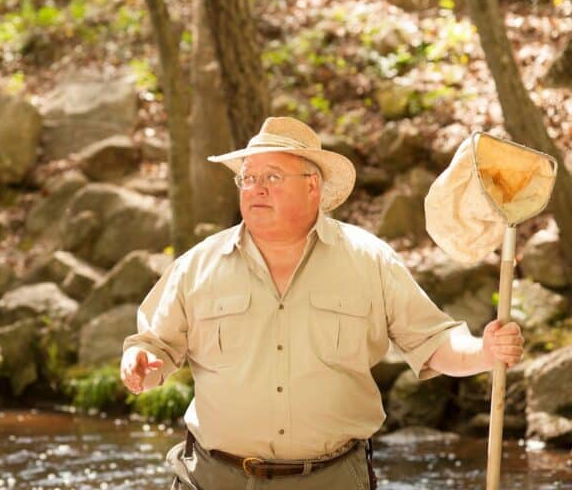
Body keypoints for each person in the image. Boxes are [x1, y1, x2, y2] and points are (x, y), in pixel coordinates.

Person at [120, 117, 524, 490]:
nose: (256, 187)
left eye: (272, 176)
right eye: (248, 178)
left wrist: (485, 351)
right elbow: (154, 347)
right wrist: (140, 362)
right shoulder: (198, 264)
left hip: (332, 479)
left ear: (312, 186)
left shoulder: (369, 260)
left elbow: (432, 344)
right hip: (212, 478)